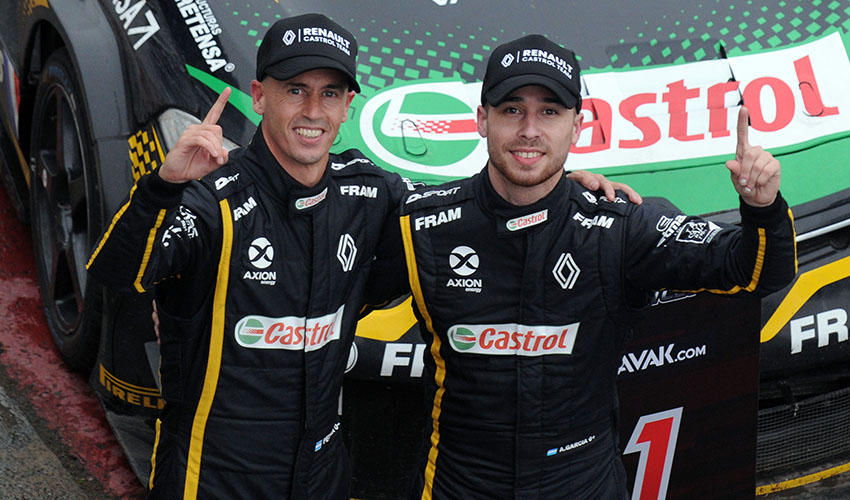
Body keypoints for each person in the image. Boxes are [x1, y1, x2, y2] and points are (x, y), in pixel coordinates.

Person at [87, 14, 635, 500]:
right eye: (295, 90)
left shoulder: (370, 192)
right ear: (258, 95)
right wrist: (163, 187)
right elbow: (118, 272)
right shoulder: (214, 198)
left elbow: (465, 213)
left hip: (323, 473)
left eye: (329, 94)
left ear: (348, 105)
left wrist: (554, 190)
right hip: (212, 478)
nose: (312, 111)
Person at [398, 34, 797, 499]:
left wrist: (763, 208)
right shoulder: (419, 223)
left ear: (577, 126)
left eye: (550, 112)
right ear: (482, 119)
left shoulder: (619, 227)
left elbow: (756, 272)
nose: (530, 130)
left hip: (583, 486)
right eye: (512, 110)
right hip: (455, 487)